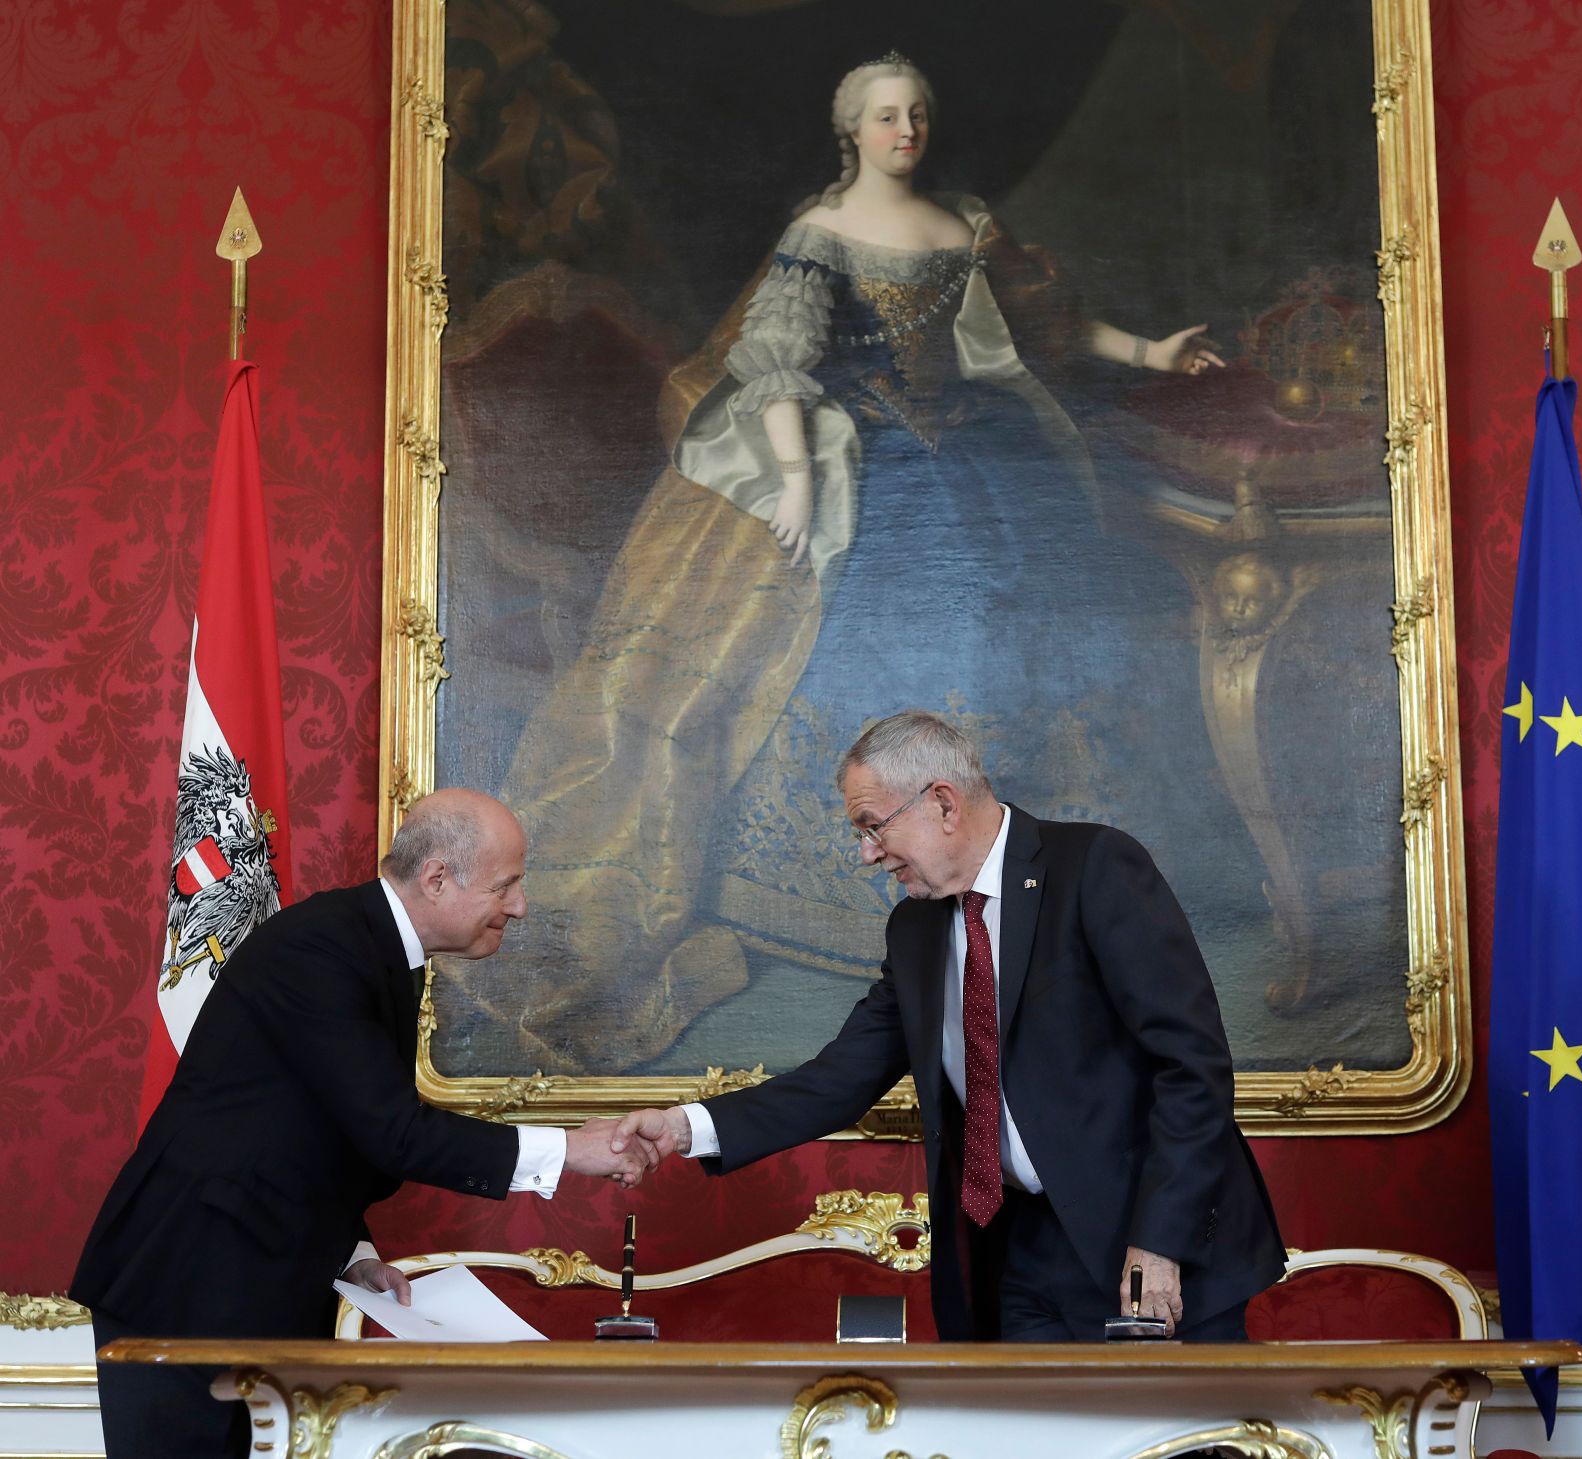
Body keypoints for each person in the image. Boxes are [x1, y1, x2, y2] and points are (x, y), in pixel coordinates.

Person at [488, 51, 1226, 1074]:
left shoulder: (966, 222)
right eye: (885, 115)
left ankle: (1024, 884)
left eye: (916, 112)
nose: (904, 129)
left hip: (980, 452)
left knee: (1043, 623)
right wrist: (794, 481)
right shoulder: (821, 233)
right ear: (853, 130)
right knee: (888, 631)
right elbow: (776, 364)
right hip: (861, 461)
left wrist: (1149, 353)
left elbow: (1044, 326)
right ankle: (842, 892)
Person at [619, 711, 1284, 1341]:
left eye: (873, 826)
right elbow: (840, 1078)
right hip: (1017, 1257)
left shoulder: (1095, 867)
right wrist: (683, 1127)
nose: (867, 853)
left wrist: (1160, 1239)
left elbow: (1190, 1064)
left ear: (942, 803)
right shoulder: (915, 927)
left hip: (1147, 1245)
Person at [70, 789, 668, 1459]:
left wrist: (354, 1257)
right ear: (437, 878)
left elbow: (326, 1129)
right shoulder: (321, 949)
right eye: (506, 885)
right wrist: (570, 1149)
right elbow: (395, 1132)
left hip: (254, 1288)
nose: (520, 906)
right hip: (189, 1287)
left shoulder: (372, 947)